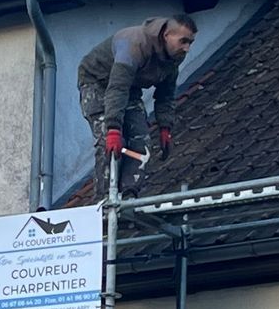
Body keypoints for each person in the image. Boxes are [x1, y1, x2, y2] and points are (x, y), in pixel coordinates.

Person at [77, 14, 197, 195]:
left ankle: (129, 194)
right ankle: (104, 202)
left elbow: (166, 94)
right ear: (167, 36)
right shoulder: (134, 44)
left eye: (190, 43)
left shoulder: (174, 57)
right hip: (98, 82)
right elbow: (117, 87)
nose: (187, 48)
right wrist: (113, 128)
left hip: (130, 88)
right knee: (109, 144)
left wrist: (165, 126)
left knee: (141, 142)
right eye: (183, 41)